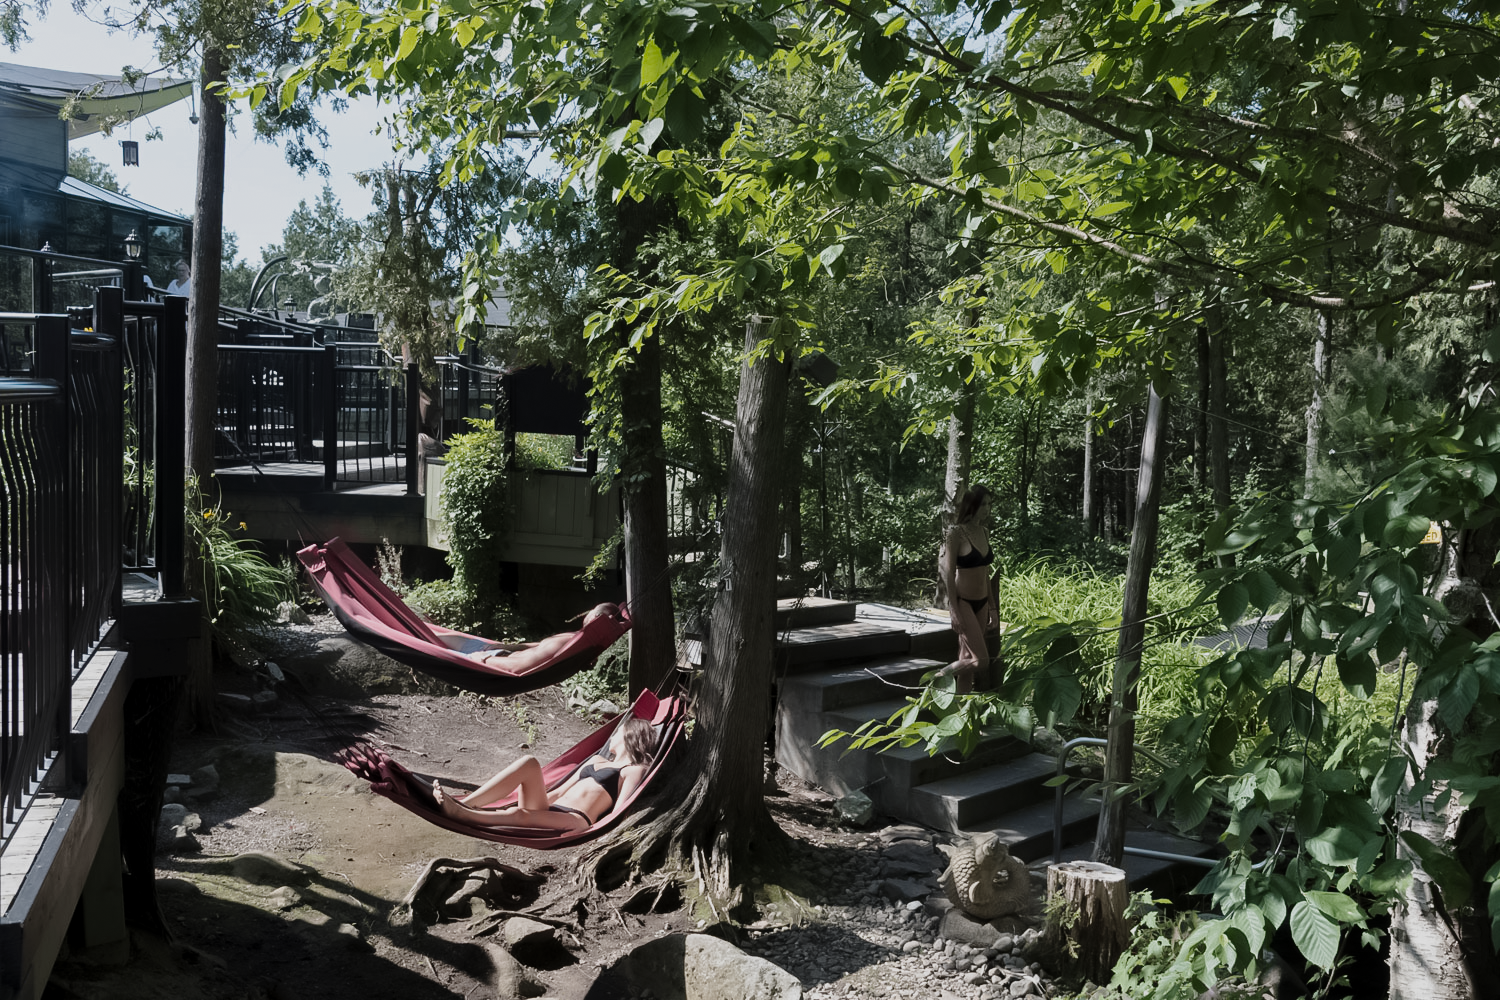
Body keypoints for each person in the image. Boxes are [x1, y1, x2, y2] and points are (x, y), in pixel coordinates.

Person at [432, 712, 656, 830]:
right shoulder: (597, 759)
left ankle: (462, 815)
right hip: (550, 808)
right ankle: (467, 803)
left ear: (629, 736)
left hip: (576, 819)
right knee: (529, 763)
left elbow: (619, 812)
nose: (612, 736)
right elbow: (558, 792)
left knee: (519, 815)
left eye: (618, 732)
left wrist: (595, 833)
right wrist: (522, 804)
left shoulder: (634, 770)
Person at [941, 485, 999, 693]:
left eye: (989, 504)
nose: (987, 509)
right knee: (980, 660)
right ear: (971, 505)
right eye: (983, 504)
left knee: (966, 660)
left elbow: (985, 573)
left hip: (982, 603)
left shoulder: (984, 532)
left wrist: (992, 607)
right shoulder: (955, 533)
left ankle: (960, 709)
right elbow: (948, 573)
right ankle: (938, 677)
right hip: (963, 602)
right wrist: (954, 610)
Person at [464, 602, 620, 675]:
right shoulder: (575, 639)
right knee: (449, 639)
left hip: (492, 661)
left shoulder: (571, 643)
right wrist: (509, 646)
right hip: (500, 654)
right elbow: (540, 646)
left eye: (593, 610)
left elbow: (517, 668)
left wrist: (484, 659)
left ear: (596, 618)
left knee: (448, 644)